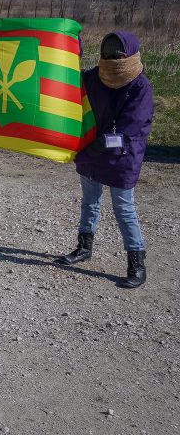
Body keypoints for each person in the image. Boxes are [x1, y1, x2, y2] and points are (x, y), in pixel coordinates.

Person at [57, 32, 154, 288]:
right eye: (107, 53)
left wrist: (102, 144)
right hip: (91, 152)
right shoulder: (93, 78)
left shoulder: (140, 87)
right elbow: (70, 85)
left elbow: (130, 130)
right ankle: (84, 247)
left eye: (117, 55)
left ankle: (137, 263)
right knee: (90, 203)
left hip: (122, 157)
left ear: (130, 56)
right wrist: (69, 50)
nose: (111, 59)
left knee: (124, 209)